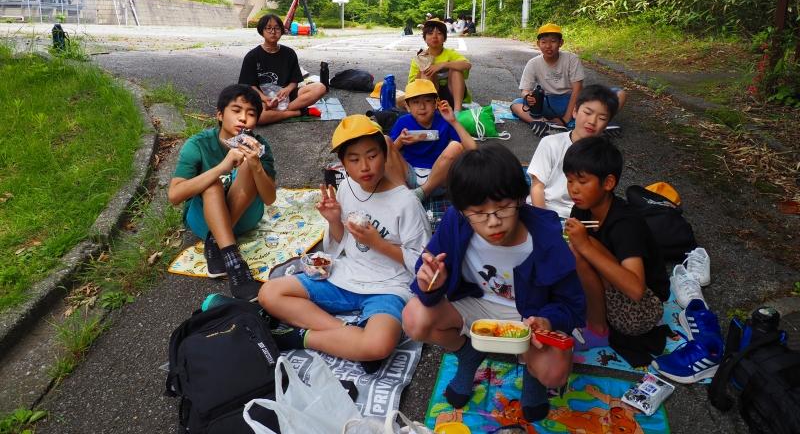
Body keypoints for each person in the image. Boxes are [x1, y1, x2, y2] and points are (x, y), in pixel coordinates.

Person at [402, 144, 585, 423]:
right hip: (475, 307)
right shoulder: (456, 222)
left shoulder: (545, 238)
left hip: (529, 318)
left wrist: (547, 320)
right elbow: (428, 271)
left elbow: (572, 304)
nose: (493, 222)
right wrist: (430, 286)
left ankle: (533, 375)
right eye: (478, 212)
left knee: (554, 371)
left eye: (502, 208)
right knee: (414, 318)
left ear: (520, 199)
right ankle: (467, 353)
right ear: (462, 210)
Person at [259, 115, 431, 373]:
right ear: (343, 164)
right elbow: (339, 247)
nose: (365, 167)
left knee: (379, 344)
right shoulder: (347, 187)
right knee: (269, 293)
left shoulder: (406, 203)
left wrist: (378, 243)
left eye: (372, 156)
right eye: (354, 159)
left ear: (385, 154)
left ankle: (301, 338)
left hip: (389, 287)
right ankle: (347, 334)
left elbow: (423, 265)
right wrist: (333, 221)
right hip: (347, 274)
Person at [562, 136, 669, 361]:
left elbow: (636, 290)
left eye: (582, 181)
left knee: (581, 248)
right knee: (575, 247)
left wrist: (585, 246)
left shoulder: (625, 224)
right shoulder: (582, 210)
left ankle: (598, 330)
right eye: (570, 181)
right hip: (611, 292)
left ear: (608, 183)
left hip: (641, 311)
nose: (574, 189)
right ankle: (595, 317)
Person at [167, 84, 276, 301]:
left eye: (251, 113)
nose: (243, 118)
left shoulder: (259, 146)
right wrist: (221, 168)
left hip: (245, 219)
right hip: (203, 221)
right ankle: (234, 262)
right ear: (219, 114)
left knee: (248, 167)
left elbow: (269, 198)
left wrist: (255, 164)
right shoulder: (198, 144)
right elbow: (174, 196)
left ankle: (215, 242)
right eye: (236, 110)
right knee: (211, 183)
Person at [528, 84, 619, 220]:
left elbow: (601, 200)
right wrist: (544, 221)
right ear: (575, 111)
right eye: (587, 113)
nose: (592, 121)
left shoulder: (604, 156)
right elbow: (537, 187)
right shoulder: (550, 143)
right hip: (543, 209)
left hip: (578, 218)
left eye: (602, 118)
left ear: (607, 124)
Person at [385, 79, 476, 203]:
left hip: (438, 179)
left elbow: (472, 148)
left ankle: (421, 193)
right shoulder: (403, 122)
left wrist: (453, 121)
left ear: (436, 103)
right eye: (415, 102)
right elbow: (389, 154)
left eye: (428, 101)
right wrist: (400, 141)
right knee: (385, 141)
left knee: (455, 146)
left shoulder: (444, 120)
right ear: (408, 106)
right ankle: (405, 193)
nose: (422, 107)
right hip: (408, 176)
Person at [238, 13, 327, 125]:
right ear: (262, 31)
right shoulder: (252, 56)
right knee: (258, 117)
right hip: (263, 98)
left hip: (286, 96)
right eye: (268, 28)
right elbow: (249, 85)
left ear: (281, 31)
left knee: (321, 88)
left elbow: (294, 81)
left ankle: (282, 111)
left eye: (277, 28)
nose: (273, 32)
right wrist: (265, 99)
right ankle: (298, 112)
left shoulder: (289, 53)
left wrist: (287, 90)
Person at [407, 18, 472, 112]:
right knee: (426, 71)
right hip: (430, 98)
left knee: (455, 69)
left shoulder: (450, 53)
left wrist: (443, 65)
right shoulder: (419, 58)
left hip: (452, 94)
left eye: (439, 33)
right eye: (430, 33)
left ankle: (457, 112)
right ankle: (431, 111)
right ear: (424, 38)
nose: (434, 36)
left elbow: (467, 65)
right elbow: (412, 85)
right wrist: (423, 65)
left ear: (444, 38)